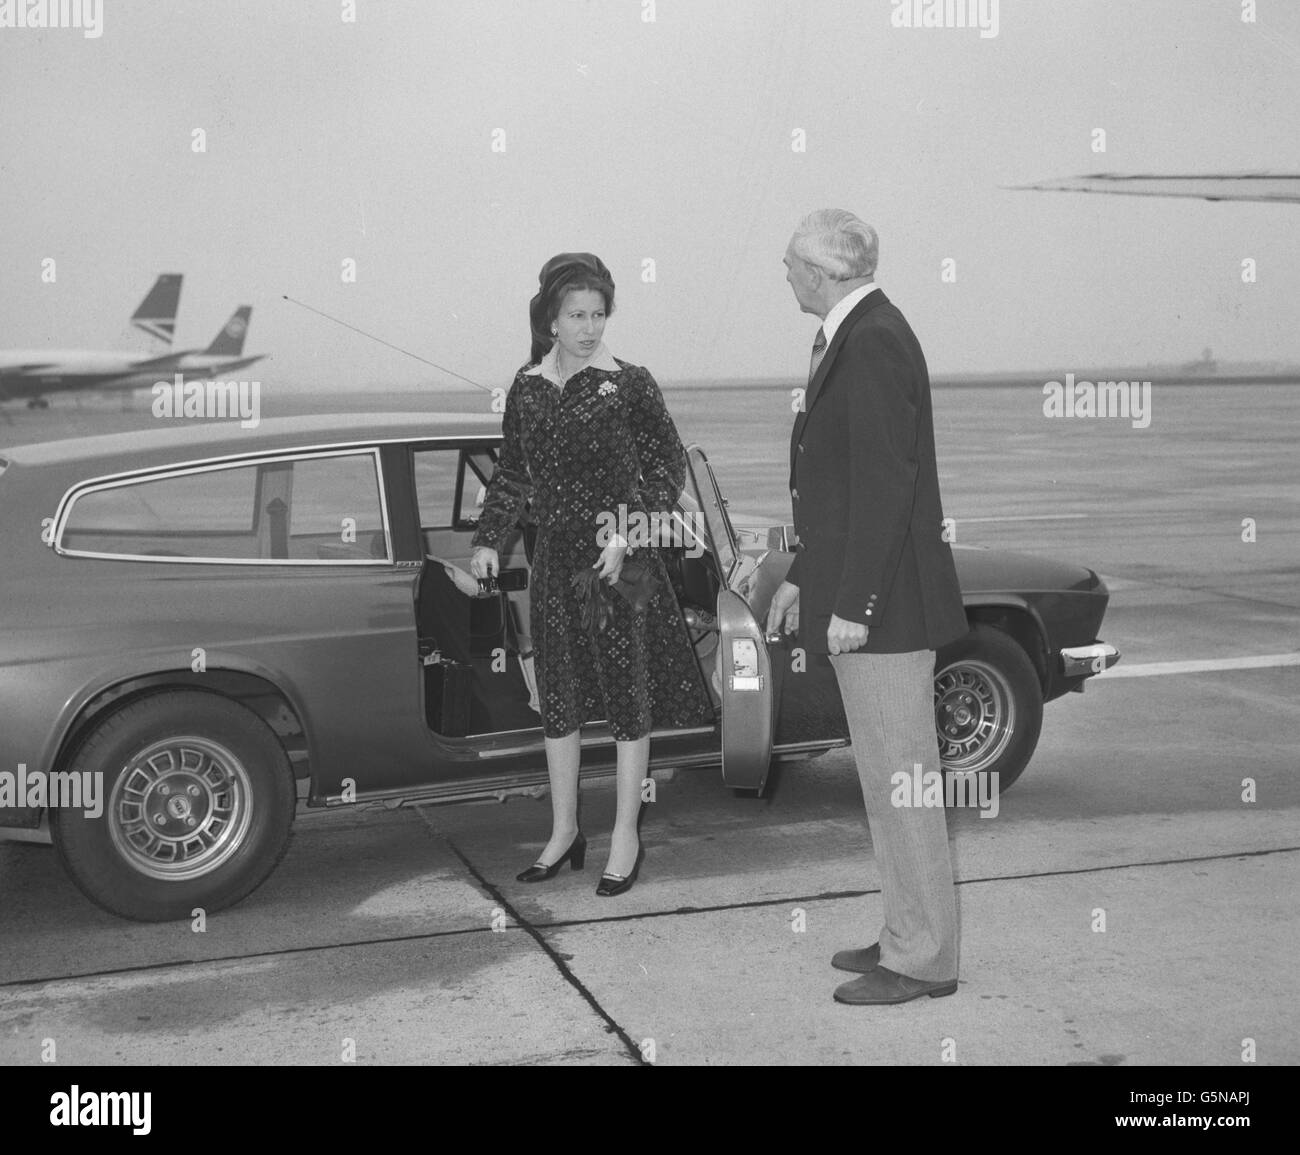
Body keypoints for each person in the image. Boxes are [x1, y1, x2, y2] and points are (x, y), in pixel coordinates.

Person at [767, 209, 969, 1005]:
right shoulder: (854, 334)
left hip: (887, 612)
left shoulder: (875, 339)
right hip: (864, 599)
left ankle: (924, 961)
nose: (784, 275)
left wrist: (855, 602)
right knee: (888, 785)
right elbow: (840, 487)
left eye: (789, 264)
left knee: (905, 786)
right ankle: (903, 934)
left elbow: (889, 483)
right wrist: (803, 575)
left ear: (823, 272)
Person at [471, 252, 712, 896]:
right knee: (561, 698)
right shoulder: (526, 385)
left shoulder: (629, 383)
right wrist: (489, 539)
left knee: (628, 696)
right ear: (552, 318)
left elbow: (667, 468)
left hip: (621, 558)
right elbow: (514, 470)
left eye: (598, 314)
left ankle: (627, 834)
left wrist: (630, 532)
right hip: (554, 558)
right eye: (576, 315)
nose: (588, 326)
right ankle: (564, 831)